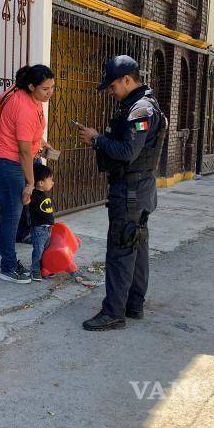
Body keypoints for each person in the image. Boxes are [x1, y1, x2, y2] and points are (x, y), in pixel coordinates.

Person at [77, 55, 165, 331]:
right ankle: (134, 305)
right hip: (140, 189)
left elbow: (128, 152)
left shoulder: (140, 110)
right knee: (136, 246)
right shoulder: (144, 105)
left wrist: (96, 139)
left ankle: (114, 312)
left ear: (127, 80)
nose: (112, 92)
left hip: (130, 190)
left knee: (120, 249)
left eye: (113, 86)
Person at [0, 64, 55, 284]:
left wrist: (41, 142)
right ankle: (7, 267)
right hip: (7, 163)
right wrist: (30, 183)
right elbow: (24, 151)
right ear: (31, 86)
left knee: (14, 215)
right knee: (12, 216)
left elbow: (31, 137)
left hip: (14, 161)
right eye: (45, 89)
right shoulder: (23, 105)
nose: (50, 92)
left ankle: (9, 261)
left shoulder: (30, 97)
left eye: (52, 87)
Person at [29, 164, 55, 282]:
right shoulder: (34, 195)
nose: (52, 182)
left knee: (46, 250)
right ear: (40, 183)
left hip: (47, 229)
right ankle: (35, 270)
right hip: (39, 229)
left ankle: (45, 268)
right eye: (50, 180)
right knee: (38, 250)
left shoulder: (43, 194)